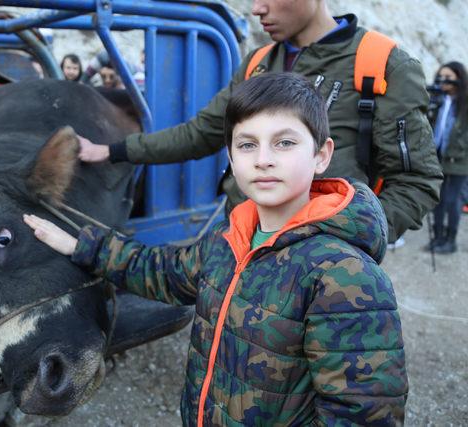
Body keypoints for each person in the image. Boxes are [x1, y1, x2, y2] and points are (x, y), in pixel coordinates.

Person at [24, 73, 408, 425]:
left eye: (285, 142)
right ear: (231, 158)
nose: (263, 159)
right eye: (247, 144)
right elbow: (164, 271)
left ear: (321, 154)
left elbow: (363, 414)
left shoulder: (344, 276)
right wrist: (82, 245)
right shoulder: (229, 242)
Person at [77, 0, 443, 245]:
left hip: (321, 266)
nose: (256, 8)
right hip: (241, 244)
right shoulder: (258, 63)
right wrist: (113, 150)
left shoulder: (382, 65)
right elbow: (200, 133)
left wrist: (355, 237)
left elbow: (417, 181)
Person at [426, 61, 468, 254]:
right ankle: (438, 236)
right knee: (438, 200)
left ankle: (451, 240)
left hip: (459, 162)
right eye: (441, 76)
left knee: (453, 200)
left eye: (449, 77)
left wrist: (459, 148)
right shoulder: (439, 99)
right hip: (438, 158)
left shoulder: (464, 102)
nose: (443, 81)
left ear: (459, 78)